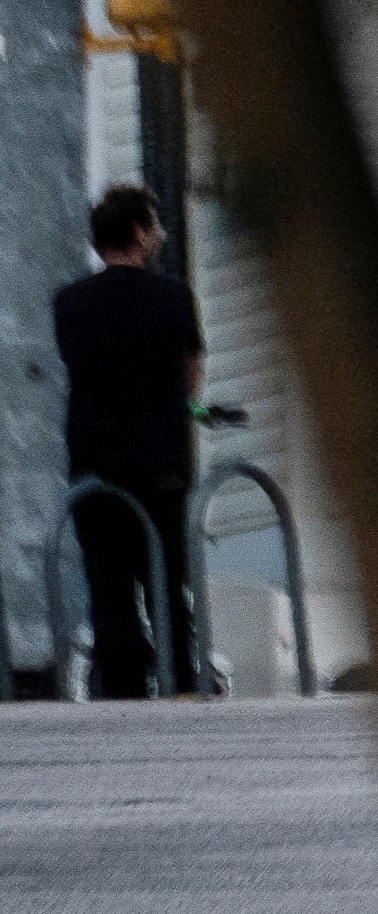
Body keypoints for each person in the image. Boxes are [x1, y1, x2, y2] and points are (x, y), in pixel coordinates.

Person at [53, 184, 203, 698]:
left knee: (109, 590)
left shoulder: (71, 304)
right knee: (166, 586)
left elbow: (77, 366)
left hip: (95, 463)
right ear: (139, 233)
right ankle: (182, 688)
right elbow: (191, 378)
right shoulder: (173, 299)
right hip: (161, 464)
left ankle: (124, 695)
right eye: (155, 226)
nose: (159, 235)